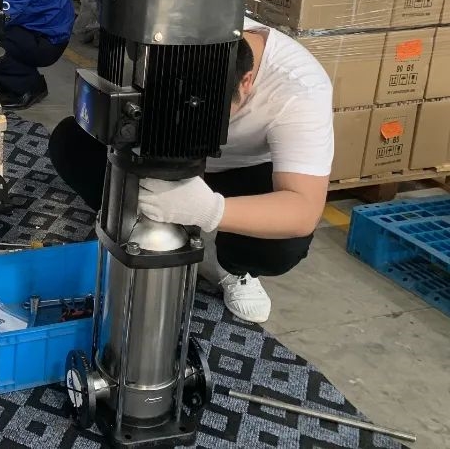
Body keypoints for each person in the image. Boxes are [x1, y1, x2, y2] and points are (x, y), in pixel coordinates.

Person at [47, 18, 333, 323]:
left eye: (207, 113)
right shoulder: (162, 33)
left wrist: (211, 211)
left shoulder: (300, 89)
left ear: (246, 82)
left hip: (237, 170)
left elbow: (304, 210)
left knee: (279, 246)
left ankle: (232, 269)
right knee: (70, 143)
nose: (192, 121)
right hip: (158, 149)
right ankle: (130, 222)